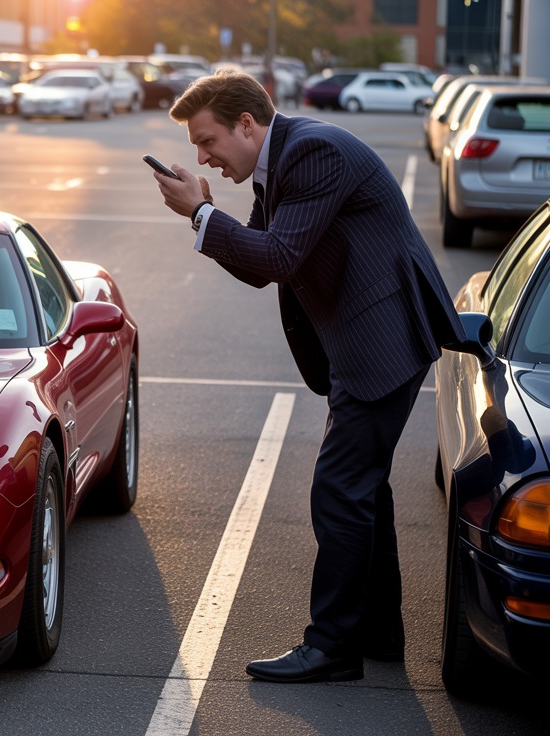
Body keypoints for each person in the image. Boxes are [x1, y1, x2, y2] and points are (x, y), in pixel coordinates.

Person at [151, 70, 463, 684]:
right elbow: (261, 263)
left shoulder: (313, 152)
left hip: (382, 339)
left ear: (246, 124)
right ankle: (377, 633)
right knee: (362, 489)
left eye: (207, 140)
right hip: (368, 338)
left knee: (339, 489)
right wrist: (204, 218)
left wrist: (202, 212)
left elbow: (277, 256)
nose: (203, 156)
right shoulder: (279, 161)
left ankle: (332, 647)